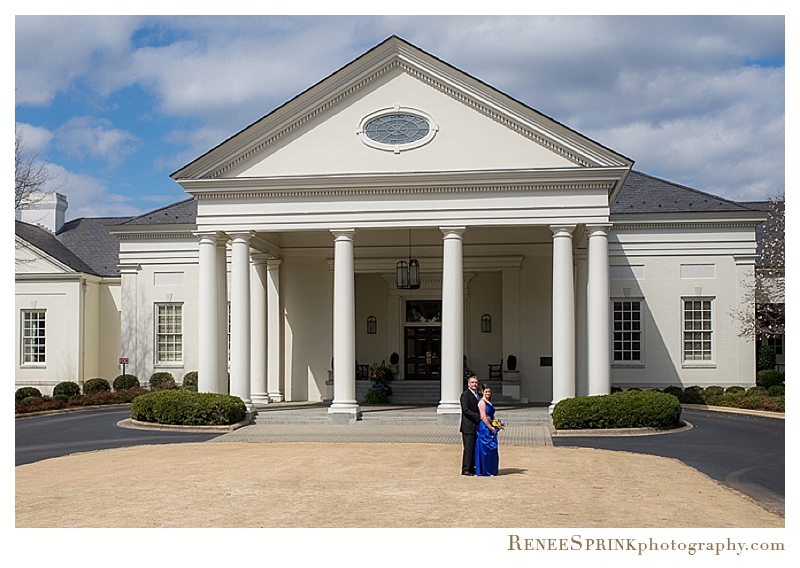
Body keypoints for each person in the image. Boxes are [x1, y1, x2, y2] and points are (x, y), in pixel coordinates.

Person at [474, 383, 499, 476]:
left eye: (489, 391)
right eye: (486, 391)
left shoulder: (489, 402)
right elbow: (483, 416)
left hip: (491, 425)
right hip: (484, 427)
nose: (488, 393)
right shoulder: (482, 402)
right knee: (485, 449)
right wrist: (490, 427)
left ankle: (492, 469)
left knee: (492, 449)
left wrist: (496, 424)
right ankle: (485, 470)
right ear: (482, 392)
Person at [459, 375, 481, 476]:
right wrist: (478, 416)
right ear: (468, 384)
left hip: (476, 426)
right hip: (468, 427)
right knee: (468, 448)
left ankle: (472, 467)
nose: (474, 384)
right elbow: (466, 410)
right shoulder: (465, 395)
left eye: (476, 382)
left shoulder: (478, 395)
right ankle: (466, 469)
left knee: (474, 448)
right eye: (472, 382)